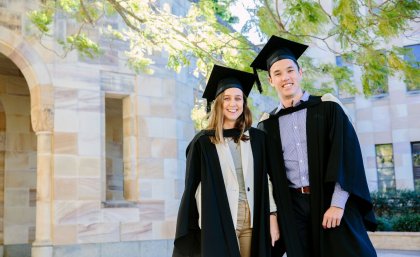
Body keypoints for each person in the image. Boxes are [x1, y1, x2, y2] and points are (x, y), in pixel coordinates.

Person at [251, 35, 378, 257]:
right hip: (293, 208)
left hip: (330, 199)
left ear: (300, 73)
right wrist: (273, 217)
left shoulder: (328, 109)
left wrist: (338, 204)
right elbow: (266, 177)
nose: (285, 77)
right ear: (271, 80)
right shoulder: (267, 125)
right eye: (277, 73)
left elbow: (346, 157)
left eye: (290, 70)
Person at [172, 65, 277, 257]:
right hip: (218, 219)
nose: (232, 104)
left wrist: (272, 215)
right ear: (218, 103)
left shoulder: (257, 139)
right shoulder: (203, 142)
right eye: (226, 98)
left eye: (238, 98)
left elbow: (267, 179)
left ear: (244, 103)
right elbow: (193, 188)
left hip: (252, 218)